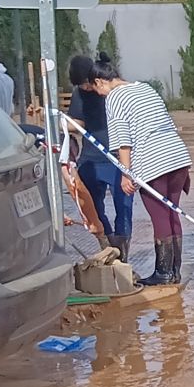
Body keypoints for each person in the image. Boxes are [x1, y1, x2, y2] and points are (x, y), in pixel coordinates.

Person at [85, 59, 191, 286]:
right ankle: (175, 271)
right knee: (172, 213)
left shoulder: (114, 98)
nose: (101, 95)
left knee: (160, 216)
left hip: (153, 162)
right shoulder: (146, 88)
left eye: (97, 91)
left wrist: (126, 173)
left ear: (99, 82)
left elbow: (123, 141)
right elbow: (167, 122)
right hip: (177, 157)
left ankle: (163, 273)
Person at [67, 53, 133, 260]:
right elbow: (78, 123)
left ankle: (122, 252)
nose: (87, 89)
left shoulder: (116, 92)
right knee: (92, 205)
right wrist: (55, 119)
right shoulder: (80, 94)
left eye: (88, 84)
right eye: (81, 86)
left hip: (117, 157)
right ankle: (106, 243)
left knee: (123, 207)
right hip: (90, 157)